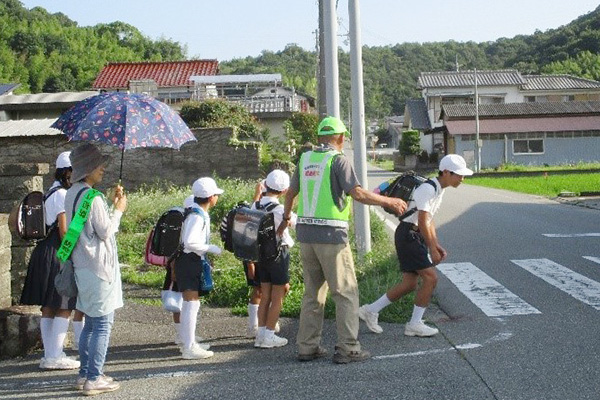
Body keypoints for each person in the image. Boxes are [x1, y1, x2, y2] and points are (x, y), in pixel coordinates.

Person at [278, 116, 407, 364]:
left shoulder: (305, 159)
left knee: (312, 294)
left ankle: (307, 346)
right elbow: (357, 193)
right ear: (340, 137)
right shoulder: (338, 160)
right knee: (345, 292)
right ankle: (348, 348)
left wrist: (286, 218)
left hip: (306, 236)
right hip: (332, 236)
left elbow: (291, 192)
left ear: (319, 136)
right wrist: (389, 201)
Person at [358, 154, 473, 337]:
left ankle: (370, 310)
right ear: (445, 172)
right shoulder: (428, 189)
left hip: (414, 235)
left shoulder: (438, 188)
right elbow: (423, 219)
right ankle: (414, 324)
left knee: (409, 283)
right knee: (430, 278)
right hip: (408, 235)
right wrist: (432, 248)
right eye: (459, 174)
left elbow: (429, 220)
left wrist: (435, 244)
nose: (462, 178)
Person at [65, 143, 127, 395]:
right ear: (88, 168)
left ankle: (84, 374)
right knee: (101, 324)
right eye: (99, 164)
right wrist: (118, 210)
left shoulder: (73, 193)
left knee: (90, 323)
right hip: (99, 267)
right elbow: (105, 231)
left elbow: (86, 227)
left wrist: (110, 203)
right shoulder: (93, 197)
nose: (103, 168)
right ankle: (93, 378)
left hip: (81, 265)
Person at [20, 151, 82, 370]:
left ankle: (50, 355)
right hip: (58, 252)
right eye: (75, 171)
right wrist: (75, 253)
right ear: (66, 172)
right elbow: (64, 231)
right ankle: (55, 356)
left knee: (48, 306)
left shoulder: (51, 192)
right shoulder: (63, 195)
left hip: (45, 251)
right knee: (64, 305)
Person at [175, 177, 223, 360]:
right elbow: (190, 242)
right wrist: (212, 248)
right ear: (210, 198)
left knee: (190, 304)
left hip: (186, 261)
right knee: (191, 304)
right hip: (190, 260)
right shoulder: (197, 216)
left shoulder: (192, 211)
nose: (217, 198)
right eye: (216, 195)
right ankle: (189, 347)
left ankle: (189, 342)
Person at [252, 169, 296, 349]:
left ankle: (261, 334)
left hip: (261, 254)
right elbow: (295, 223)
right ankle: (270, 335)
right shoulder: (279, 210)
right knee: (278, 296)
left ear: (266, 185)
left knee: (265, 295)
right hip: (278, 253)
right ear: (284, 191)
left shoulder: (255, 206)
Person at [165, 195, 208, 350]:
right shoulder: (194, 218)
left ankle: (186, 337)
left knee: (186, 302)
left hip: (178, 264)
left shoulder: (185, 218)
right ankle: (186, 341)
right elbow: (187, 243)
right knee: (189, 303)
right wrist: (210, 248)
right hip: (184, 264)